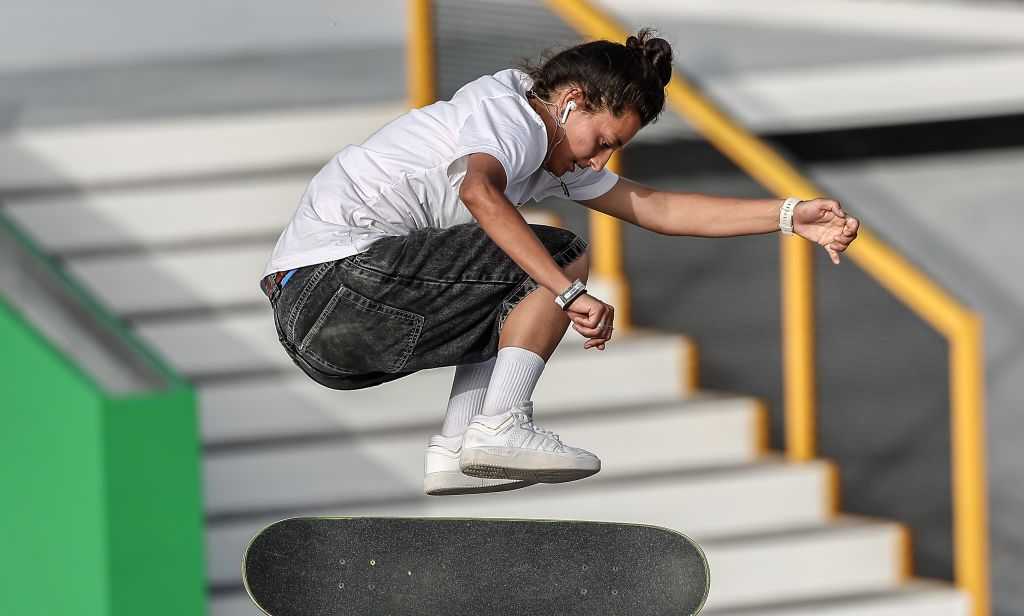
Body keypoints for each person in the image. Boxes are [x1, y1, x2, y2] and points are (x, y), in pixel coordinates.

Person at [259, 29, 859, 497]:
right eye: (602, 141)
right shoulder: (514, 119)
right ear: (570, 103)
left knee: (509, 284)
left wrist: (787, 216)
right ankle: (500, 425)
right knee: (556, 254)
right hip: (333, 287)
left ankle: (457, 446)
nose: (598, 160)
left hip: (328, 329)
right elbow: (479, 193)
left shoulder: (547, 150)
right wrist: (569, 295)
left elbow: (662, 209)